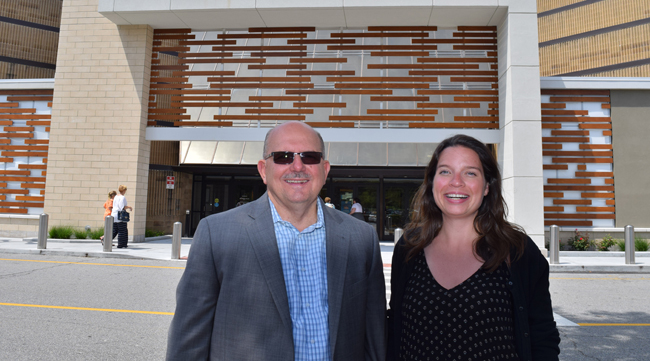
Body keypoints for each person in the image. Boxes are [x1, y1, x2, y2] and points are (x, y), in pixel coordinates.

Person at [166, 121, 386, 361]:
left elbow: (374, 339)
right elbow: (188, 343)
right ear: (263, 170)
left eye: (309, 157)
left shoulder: (361, 239)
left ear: (325, 169)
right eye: (283, 157)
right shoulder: (216, 234)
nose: (298, 166)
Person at [387, 134, 560, 361]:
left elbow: (542, 338)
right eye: (445, 171)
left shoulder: (518, 251)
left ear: (487, 186)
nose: (456, 181)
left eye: (470, 173)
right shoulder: (409, 248)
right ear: (432, 183)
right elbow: (395, 330)